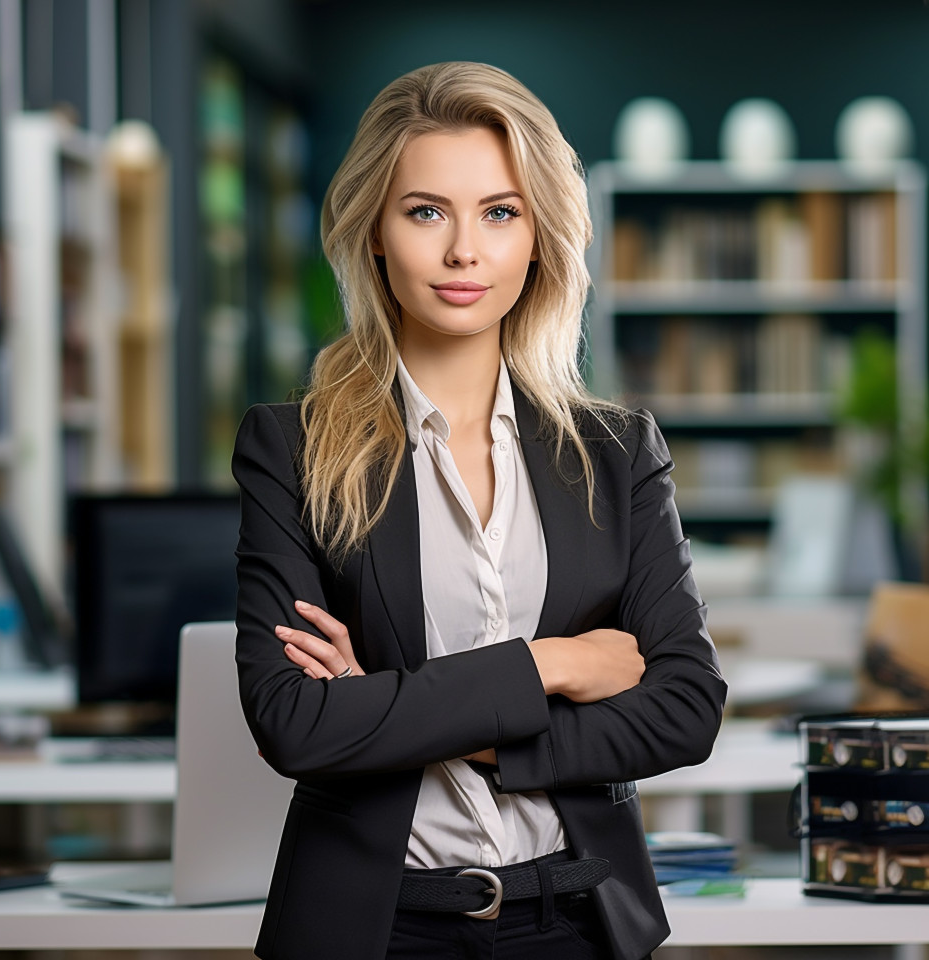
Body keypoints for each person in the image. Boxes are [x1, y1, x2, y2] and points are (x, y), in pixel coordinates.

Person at [232, 61, 727, 960]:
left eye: (501, 213)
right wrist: (553, 664)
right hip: (373, 929)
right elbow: (295, 724)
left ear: (539, 238)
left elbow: (687, 709)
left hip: (577, 922)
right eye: (427, 212)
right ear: (374, 233)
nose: (465, 251)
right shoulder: (291, 449)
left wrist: (403, 715)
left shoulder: (617, 452)